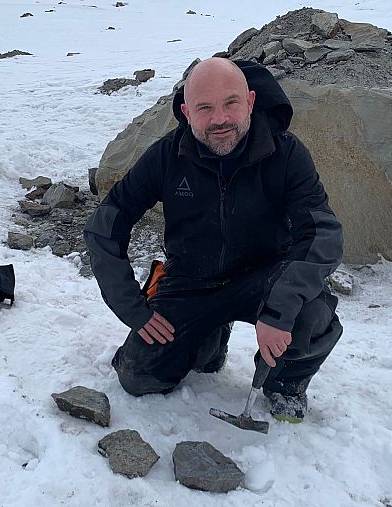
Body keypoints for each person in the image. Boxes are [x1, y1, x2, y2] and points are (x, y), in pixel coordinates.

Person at [83, 57, 343, 422]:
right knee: (138, 374)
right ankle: (209, 341)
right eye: (205, 108)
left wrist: (280, 308)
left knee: (310, 312)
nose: (220, 119)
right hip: (191, 281)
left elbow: (322, 234)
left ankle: (286, 384)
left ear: (250, 102)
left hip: (266, 276)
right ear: (187, 113)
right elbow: (105, 224)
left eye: (230, 103)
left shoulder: (286, 154)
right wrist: (134, 309)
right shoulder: (167, 155)